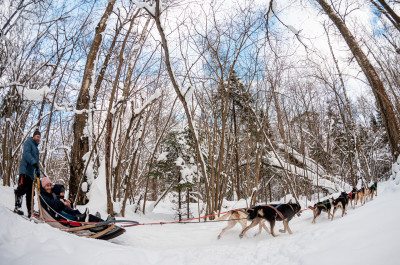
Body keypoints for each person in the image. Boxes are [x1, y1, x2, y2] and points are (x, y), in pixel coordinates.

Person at [40, 177, 111, 222]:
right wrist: (61, 203)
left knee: (80, 214)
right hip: (59, 214)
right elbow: (51, 203)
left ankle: (102, 221)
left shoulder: (51, 194)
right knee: (81, 217)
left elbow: (59, 201)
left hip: (64, 210)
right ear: (43, 187)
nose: (49, 187)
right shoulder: (43, 196)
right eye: (47, 186)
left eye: (49, 185)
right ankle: (102, 223)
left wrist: (67, 203)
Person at [14, 129, 41, 217]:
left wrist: (38, 172)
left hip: (31, 174)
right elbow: (26, 154)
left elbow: (36, 162)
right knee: (22, 188)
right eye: (37, 136)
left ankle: (30, 211)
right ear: (33, 136)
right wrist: (33, 162)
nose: (38, 138)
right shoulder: (28, 143)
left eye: (39, 137)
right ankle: (17, 207)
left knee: (30, 194)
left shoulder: (36, 149)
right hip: (25, 170)